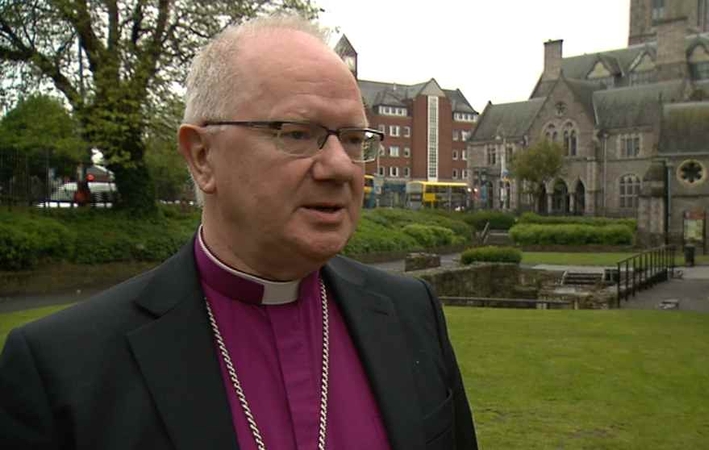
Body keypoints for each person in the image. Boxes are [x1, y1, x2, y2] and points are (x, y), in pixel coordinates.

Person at [0, 14, 478, 450]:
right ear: (203, 157)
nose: (339, 166)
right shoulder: (62, 369)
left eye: (353, 139)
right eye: (295, 133)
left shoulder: (413, 314)